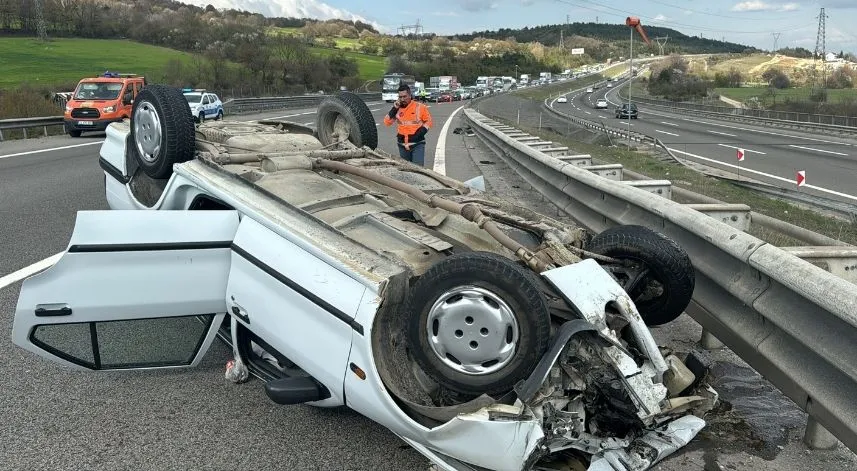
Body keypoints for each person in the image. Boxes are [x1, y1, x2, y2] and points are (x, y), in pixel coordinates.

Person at [383, 84, 433, 166]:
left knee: (418, 170)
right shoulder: (397, 108)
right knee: (406, 172)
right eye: (400, 97)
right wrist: (394, 109)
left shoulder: (420, 107)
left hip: (417, 144)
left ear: (410, 95)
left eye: (404, 96)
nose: (402, 99)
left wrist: (420, 133)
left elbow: (429, 121)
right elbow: (387, 122)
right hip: (402, 145)